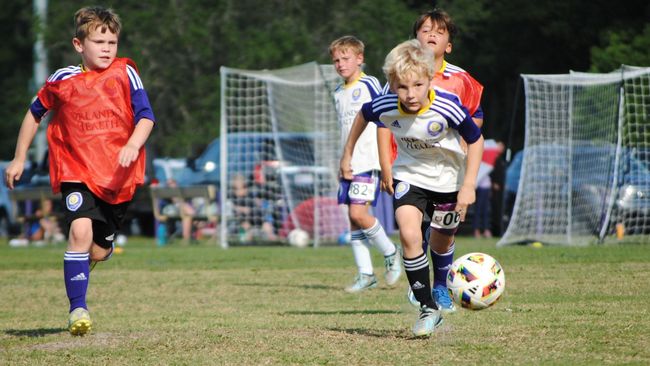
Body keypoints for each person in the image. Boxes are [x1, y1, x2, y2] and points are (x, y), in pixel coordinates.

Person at [4, 6, 155, 336]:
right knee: (79, 233)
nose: (106, 48)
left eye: (112, 42)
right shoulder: (62, 79)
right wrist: (18, 159)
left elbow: (146, 117)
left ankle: (101, 253)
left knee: (98, 250)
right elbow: (34, 115)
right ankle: (78, 310)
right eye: (99, 41)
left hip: (116, 176)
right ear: (78, 44)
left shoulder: (125, 73)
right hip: (75, 170)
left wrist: (132, 143)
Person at [341, 39, 483, 336]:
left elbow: (475, 139)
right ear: (392, 84)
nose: (410, 94)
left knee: (440, 244)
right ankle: (428, 307)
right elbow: (363, 117)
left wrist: (469, 185)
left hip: (449, 181)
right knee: (408, 234)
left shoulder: (447, 105)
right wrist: (347, 153)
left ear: (429, 79)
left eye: (418, 85)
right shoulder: (385, 104)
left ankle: (440, 283)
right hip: (410, 177)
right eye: (402, 87)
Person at [399, 8, 485, 312]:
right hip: (411, 167)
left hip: (449, 169)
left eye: (439, 31)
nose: (431, 34)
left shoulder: (462, 80)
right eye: (424, 30)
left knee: (443, 230)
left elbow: (476, 119)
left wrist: (465, 149)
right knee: (413, 228)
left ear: (448, 44)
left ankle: (441, 285)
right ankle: (423, 285)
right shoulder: (399, 78)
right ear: (415, 39)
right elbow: (385, 119)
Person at [330, 35, 402, 293]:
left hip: (367, 160)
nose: (340, 64)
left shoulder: (370, 84)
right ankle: (366, 274)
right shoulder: (338, 92)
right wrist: (343, 159)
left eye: (345, 58)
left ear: (360, 59)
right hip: (348, 163)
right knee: (352, 221)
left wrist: (388, 160)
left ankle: (391, 252)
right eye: (336, 60)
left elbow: (386, 113)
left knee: (358, 214)